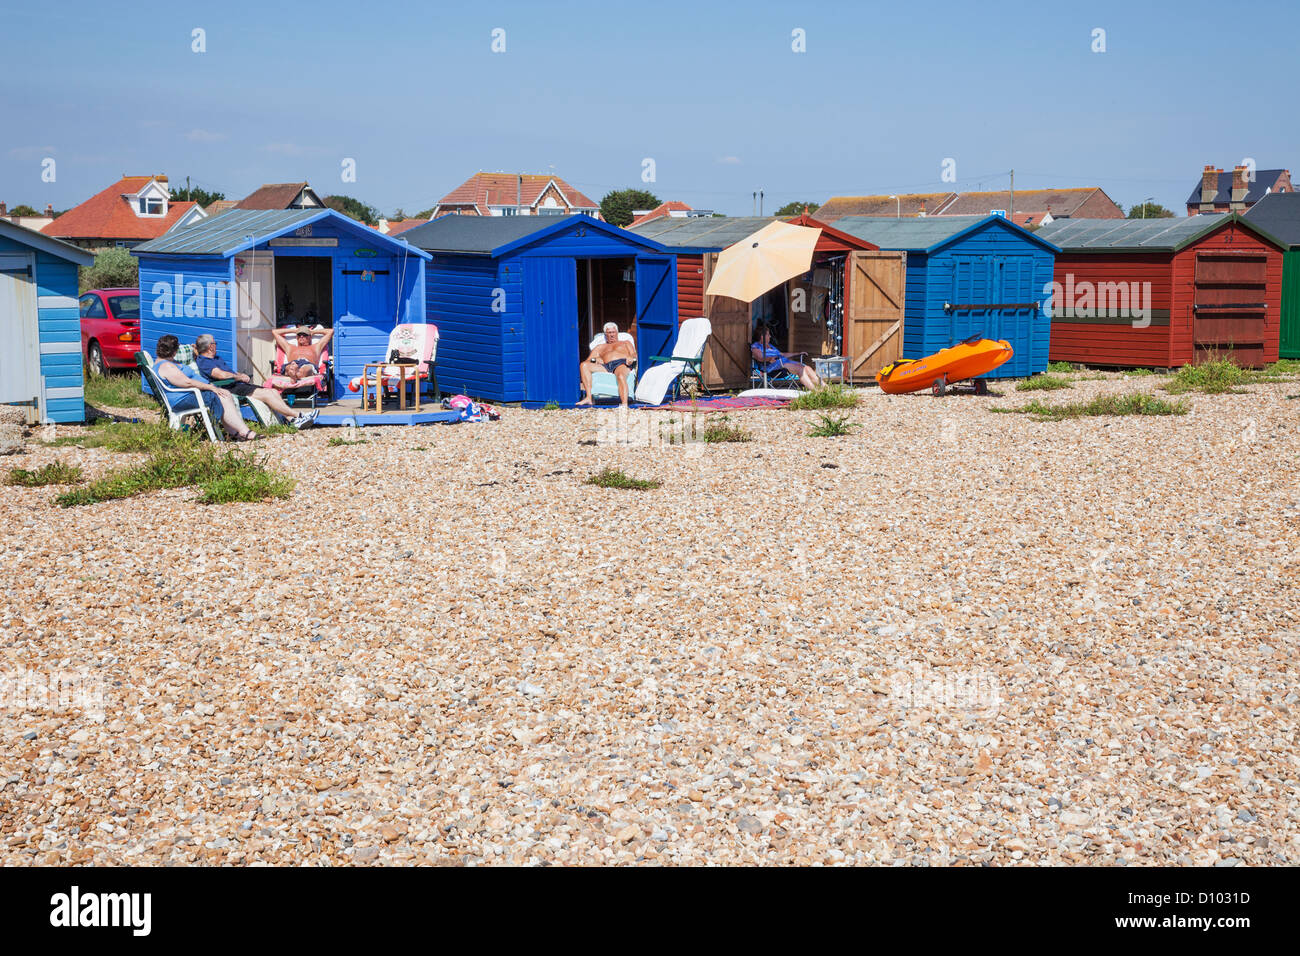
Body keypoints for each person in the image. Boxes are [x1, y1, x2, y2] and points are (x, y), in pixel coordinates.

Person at [193, 334, 317, 429]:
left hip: (236, 384)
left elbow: (228, 373)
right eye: (215, 343)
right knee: (268, 394)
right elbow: (221, 375)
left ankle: (293, 421)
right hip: (228, 388)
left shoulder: (216, 358)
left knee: (273, 391)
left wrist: (240, 375)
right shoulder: (204, 361)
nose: (216, 345)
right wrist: (239, 377)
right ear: (211, 347)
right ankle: (298, 415)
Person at [152, 335, 260, 441]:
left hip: (190, 395)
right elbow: (187, 383)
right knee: (223, 396)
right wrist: (211, 387)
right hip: (183, 399)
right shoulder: (166, 366)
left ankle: (234, 432)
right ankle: (243, 432)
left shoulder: (168, 362)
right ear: (174, 351)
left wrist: (195, 351)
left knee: (224, 394)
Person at [578, 322, 637, 407]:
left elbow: (634, 354)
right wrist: (596, 360)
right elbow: (589, 360)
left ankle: (624, 404)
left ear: (617, 333)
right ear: (605, 334)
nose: (612, 335)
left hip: (621, 363)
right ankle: (588, 398)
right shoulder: (600, 347)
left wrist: (631, 357)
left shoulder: (625, 343)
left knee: (620, 376)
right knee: (584, 365)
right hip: (605, 366)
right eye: (609, 333)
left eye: (613, 332)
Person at [752, 324, 822, 389]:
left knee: (806, 368)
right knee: (800, 369)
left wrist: (797, 353)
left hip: (782, 364)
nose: (770, 336)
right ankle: (815, 391)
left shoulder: (771, 346)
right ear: (762, 336)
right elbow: (759, 357)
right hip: (772, 368)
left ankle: (825, 388)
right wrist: (769, 358)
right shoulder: (756, 346)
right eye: (768, 334)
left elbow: (782, 354)